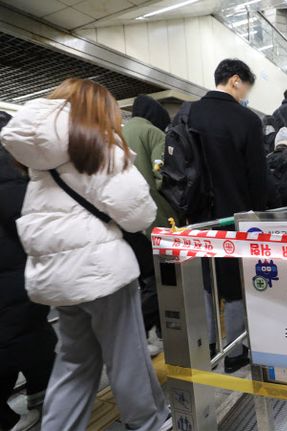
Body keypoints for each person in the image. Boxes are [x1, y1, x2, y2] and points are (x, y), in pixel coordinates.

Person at [0, 78, 170, 430]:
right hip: (102, 272)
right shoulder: (97, 145)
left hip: (58, 277)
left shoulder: (41, 158)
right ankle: (149, 423)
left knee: (74, 364)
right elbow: (139, 214)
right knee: (126, 354)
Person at [188, 58, 267, 373]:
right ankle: (234, 353)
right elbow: (257, 178)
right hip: (234, 217)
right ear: (236, 80)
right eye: (246, 87)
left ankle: (207, 347)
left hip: (196, 218)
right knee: (234, 283)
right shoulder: (246, 119)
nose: (245, 93)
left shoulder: (188, 113)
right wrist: (262, 216)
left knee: (206, 283)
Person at [0, 111, 57, 431]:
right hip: (13, 266)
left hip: (11, 268)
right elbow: (21, 215)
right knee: (24, 334)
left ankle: (41, 392)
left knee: (30, 333)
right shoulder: (6, 162)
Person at [122, 94, 175, 357]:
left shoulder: (119, 133)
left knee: (145, 280)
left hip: (125, 219)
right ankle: (142, 334)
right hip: (155, 217)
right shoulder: (155, 134)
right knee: (162, 279)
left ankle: (156, 332)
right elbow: (161, 175)